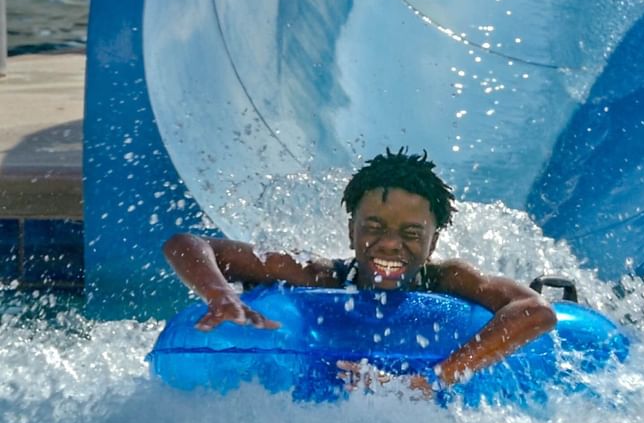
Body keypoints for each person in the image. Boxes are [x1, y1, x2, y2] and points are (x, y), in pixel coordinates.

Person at [162, 148, 557, 396]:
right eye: (373, 227)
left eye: (411, 233)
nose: (389, 244)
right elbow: (188, 244)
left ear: (432, 243)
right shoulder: (321, 276)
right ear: (351, 231)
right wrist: (220, 294)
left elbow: (535, 310)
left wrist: (431, 380)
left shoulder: (447, 280)